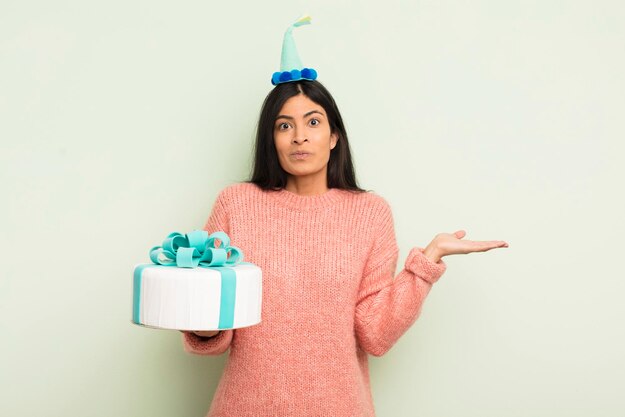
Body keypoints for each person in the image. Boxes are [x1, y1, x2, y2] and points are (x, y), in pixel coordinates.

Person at [181, 17, 508, 417]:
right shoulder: (236, 204)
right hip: (245, 407)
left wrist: (428, 261)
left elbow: (375, 333)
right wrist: (201, 320)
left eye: (313, 122)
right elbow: (215, 331)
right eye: (284, 126)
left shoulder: (369, 214)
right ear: (272, 139)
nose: (299, 136)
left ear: (334, 137)